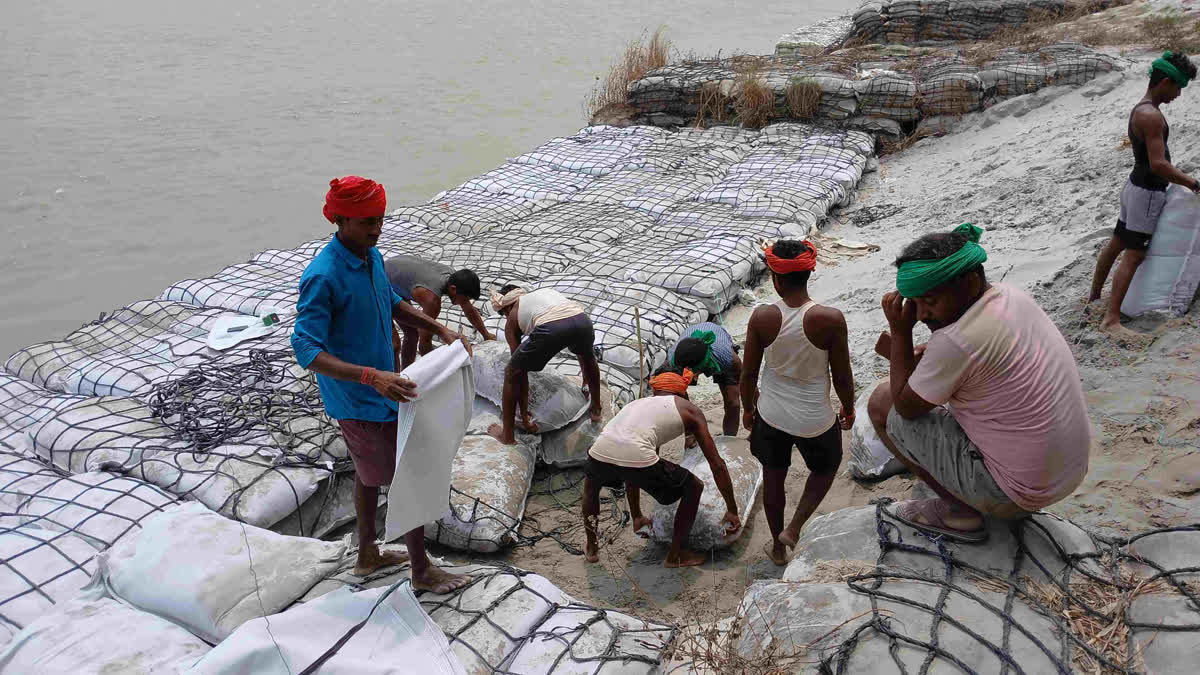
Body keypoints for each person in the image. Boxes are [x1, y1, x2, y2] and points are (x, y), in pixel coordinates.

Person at [291, 175, 472, 591]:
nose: (376, 229)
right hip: (360, 396)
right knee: (405, 472)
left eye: (380, 219)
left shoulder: (371, 258)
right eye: (366, 222)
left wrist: (440, 329)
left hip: (387, 385)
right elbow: (306, 349)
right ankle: (421, 570)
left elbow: (393, 304)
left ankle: (368, 554)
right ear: (339, 220)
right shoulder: (324, 276)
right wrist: (371, 377)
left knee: (368, 472)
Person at [868, 224, 1090, 543]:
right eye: (913, 303)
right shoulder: (1010, 297)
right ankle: (970, 489)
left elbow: (905, 407)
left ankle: (960, 513)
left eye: (929, 301)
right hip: (1067, 474)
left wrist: (900, 333)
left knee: (882, 402)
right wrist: (933, 349)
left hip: (1015, 494)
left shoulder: (956, 341)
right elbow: (984, 349)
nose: (920, 314)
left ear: (970, 280)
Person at [740, 240, 854, 566]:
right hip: (814, 418)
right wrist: (848, 408)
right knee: (825, 468)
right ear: (809, 273)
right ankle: (794, 527)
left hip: (771, 416)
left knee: (773, 478)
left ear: (776, 278)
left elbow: (748, 375)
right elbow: (842, 375)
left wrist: (748, 410)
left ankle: (777, 547)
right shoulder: (830, 319)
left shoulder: (761, 317)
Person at [582, 365, 741, 568]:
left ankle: (592, 548)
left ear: (656, 391)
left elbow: (634, 466)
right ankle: (676, 555)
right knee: (693, 486)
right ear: (683, 392)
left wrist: (638, 515)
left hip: (599, 450)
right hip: (634, 452)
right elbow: (716, 464)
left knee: (590, 489)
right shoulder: (689, 409)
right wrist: (732, 509)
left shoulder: (637, 404)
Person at [1089, 51, 1200, 337]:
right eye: (1178, 87)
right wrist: (1192, 183)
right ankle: (1112, 319)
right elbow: (1159, 164)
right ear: (1165, 82)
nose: (1178, 94)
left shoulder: (1141, 108)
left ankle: (1094, 299)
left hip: (1133, 186)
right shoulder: (1152, 116)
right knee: (1134, 254)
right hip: (1148, 193)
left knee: (1115, 243)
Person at [485, 285, 603, 444]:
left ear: (507, 307)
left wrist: (525, 414)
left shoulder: (512, 318)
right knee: (587, 355)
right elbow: (584, 356)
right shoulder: (543, 294)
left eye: (503, 314)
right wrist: (585, 382)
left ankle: (507, 436)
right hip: (582, 320)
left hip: (552, 328)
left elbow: (519, 375)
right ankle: (596, 409)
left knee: (511, 372)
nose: (506, 317)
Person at [385, 254, 494, 368]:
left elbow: (469, 310)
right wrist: (441, 370)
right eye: (465, 299)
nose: (465, 302)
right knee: (396, 343)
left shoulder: (455, 279)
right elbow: (424, 344)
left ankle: (406, 373)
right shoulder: (432, 300)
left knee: (411, 333)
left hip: (397, 270)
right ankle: (397, 379)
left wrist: (486, 335)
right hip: (381, 283)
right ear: (453, 289)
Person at [667, 322, 742, 438]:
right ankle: (692, 436)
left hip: (715, 350)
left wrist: (751, 408)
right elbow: (681, 401)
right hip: (687, 356)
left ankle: (729, 439)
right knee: (682, 400)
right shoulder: (674, 361)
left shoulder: (727, 357)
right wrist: (689, 433)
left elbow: (747, 380)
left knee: (733, 403)